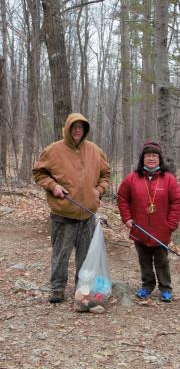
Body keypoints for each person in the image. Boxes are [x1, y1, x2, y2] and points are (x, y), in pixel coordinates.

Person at [32, 113, 111, 303]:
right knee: (60, 255)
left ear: (85, 130)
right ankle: (57, 289)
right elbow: (38, 172)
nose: (77, 130)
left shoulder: (95, 151)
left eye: (81, 127)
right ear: (67, 128)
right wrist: (54, 186)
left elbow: (106, 174)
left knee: (85, 256)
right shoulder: (53, 150)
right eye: (74, 127)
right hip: (63, 214)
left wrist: (98, 191)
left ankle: (82, 289)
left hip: (87, 215)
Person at [117, 141, 180, 302]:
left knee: (161, 260)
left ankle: (165, 288)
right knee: (144, 260)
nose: (151, 158)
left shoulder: (169, 179)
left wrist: (171, 224)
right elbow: (122, 198)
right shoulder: (132, 178)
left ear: (160, 158)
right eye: (148, 156)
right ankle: (147, 286)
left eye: (154, 155)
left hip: (161, 229)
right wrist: (127, 218)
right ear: (143, 159)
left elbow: (177, 202)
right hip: (139, 228)